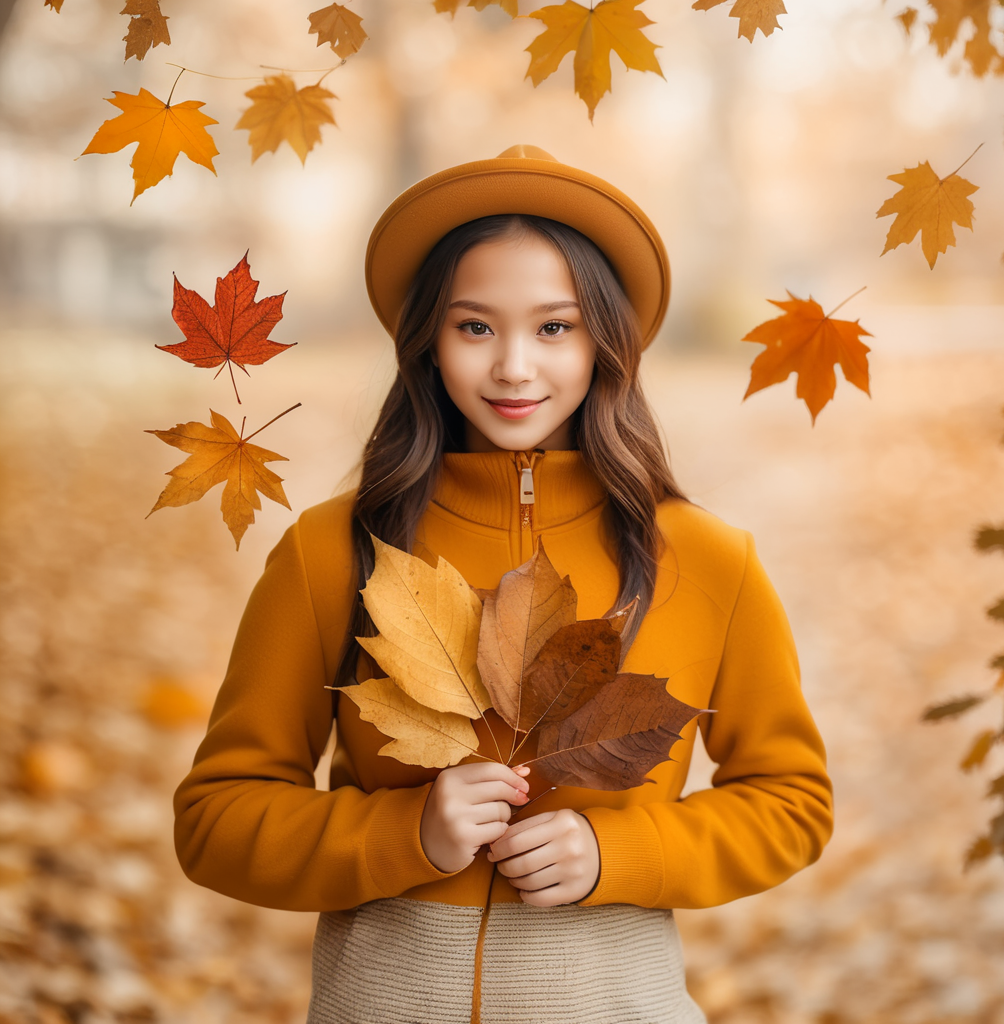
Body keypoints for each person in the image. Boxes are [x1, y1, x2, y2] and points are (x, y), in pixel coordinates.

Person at [173, 145, 834, 1024]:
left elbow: (793, 802)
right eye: (475, 327)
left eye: (554, 328)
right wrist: (406, 833)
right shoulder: (330, 552)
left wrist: (620, 852)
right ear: (428, 341)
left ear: (605, 342)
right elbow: (215, 821)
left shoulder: (708, 559)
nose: (515, 367)